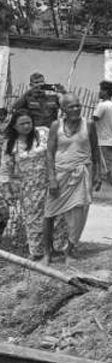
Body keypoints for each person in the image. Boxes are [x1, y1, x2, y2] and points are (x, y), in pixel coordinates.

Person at [44, 93, 103, 260]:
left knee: (79, 214)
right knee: (49, 213)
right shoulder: (56, 126)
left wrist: (98, 174)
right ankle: (47, 253)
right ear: (63, 109)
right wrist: (52, 178)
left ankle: (69, 250)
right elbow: (50, 153)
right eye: (71, 106)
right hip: (60, 174)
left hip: (81, 173)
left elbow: (95, 150)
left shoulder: (89, 124)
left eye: (78, 105)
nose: (76, 109)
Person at [0, 111, 50, 261]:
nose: (27, 126)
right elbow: (5, 169)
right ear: (14, 126)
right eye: (22, 124)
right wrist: (6, 190)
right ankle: (36, 251)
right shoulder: (11, 143)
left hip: (50, 182)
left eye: (29, 122)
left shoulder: (43, 133)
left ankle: (57, 248)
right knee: (33, 218)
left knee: (55, 216)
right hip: (29, 187)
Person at [92, 80, 112, 197]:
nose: (99, 92)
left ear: (106, 92)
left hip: (103, 141)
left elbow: (93, 121)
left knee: (108, 169)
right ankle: (98, 183)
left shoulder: (102, 106)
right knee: (108, 166)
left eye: (101, 90)